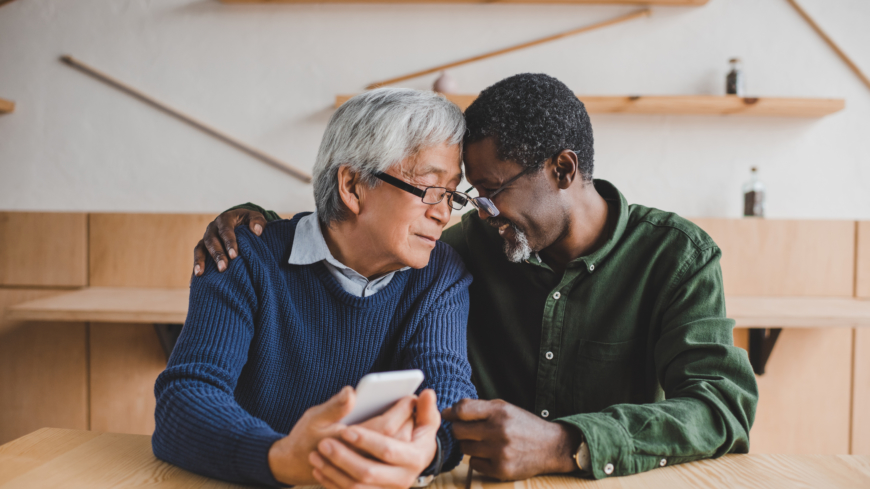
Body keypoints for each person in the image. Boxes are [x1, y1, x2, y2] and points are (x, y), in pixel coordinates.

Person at [192, 74, 758, 484]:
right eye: (464, 195)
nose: (468, 212)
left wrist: (568, 443)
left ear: (563, 170)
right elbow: (341, 229)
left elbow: (722, 407)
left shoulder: (674, 256)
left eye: (486, 193)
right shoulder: (460, 248)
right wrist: (249, 225)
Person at [153, 87, 478, 488]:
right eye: (430, 188)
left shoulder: (440, 273)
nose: (443, 213)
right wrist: (281, 458)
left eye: (450, 193)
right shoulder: (243, 257)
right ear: (353, 186)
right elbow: (185, 398)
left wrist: (426, 451)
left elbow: (447, 388)